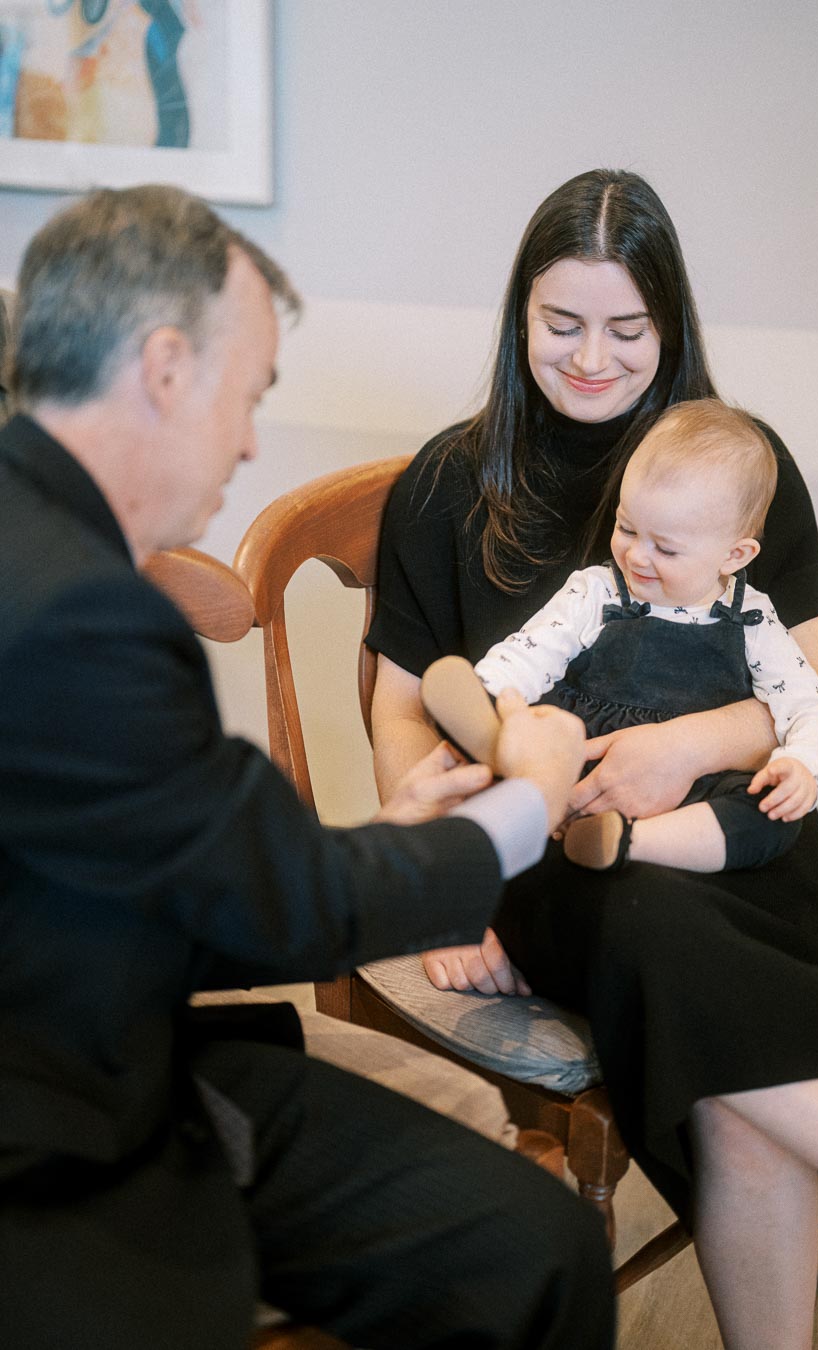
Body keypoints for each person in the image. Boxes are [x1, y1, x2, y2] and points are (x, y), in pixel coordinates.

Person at [0, 185, 615, 1350]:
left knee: (534, 1245)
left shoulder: (46, 542)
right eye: (252, 394)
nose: (245, 438)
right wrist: (525, 806)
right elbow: (269, 900)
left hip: (102, 1015)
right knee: (529, 1256)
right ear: (168, 368)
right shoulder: (76, 612)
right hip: (59, 1129)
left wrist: (393, 840)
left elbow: (193, 870)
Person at [366, 169, 818, 1350]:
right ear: (519, 317)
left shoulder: (733, 462)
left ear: (671, 324)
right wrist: (445, 879)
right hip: (567, 855)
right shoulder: (448, 487)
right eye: (562, 325)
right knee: (657, 936)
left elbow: (813, 687)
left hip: (745, 846)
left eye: (627, 329)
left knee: (707, 1011)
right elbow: (405, 719)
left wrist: (684, 746)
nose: (592, 358)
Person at [453, 398, 818, 874]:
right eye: (627, 527)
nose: (636, 556)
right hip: (586, 764)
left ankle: (628, 843)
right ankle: (541, 820)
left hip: (693, 788)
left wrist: (803, 764)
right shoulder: (597, 591)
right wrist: (495, 698)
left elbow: (811, 704)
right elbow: (531, 652)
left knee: (773, 817)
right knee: (529, 761)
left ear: (734, 555)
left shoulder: (753, 619)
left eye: (665, 548)